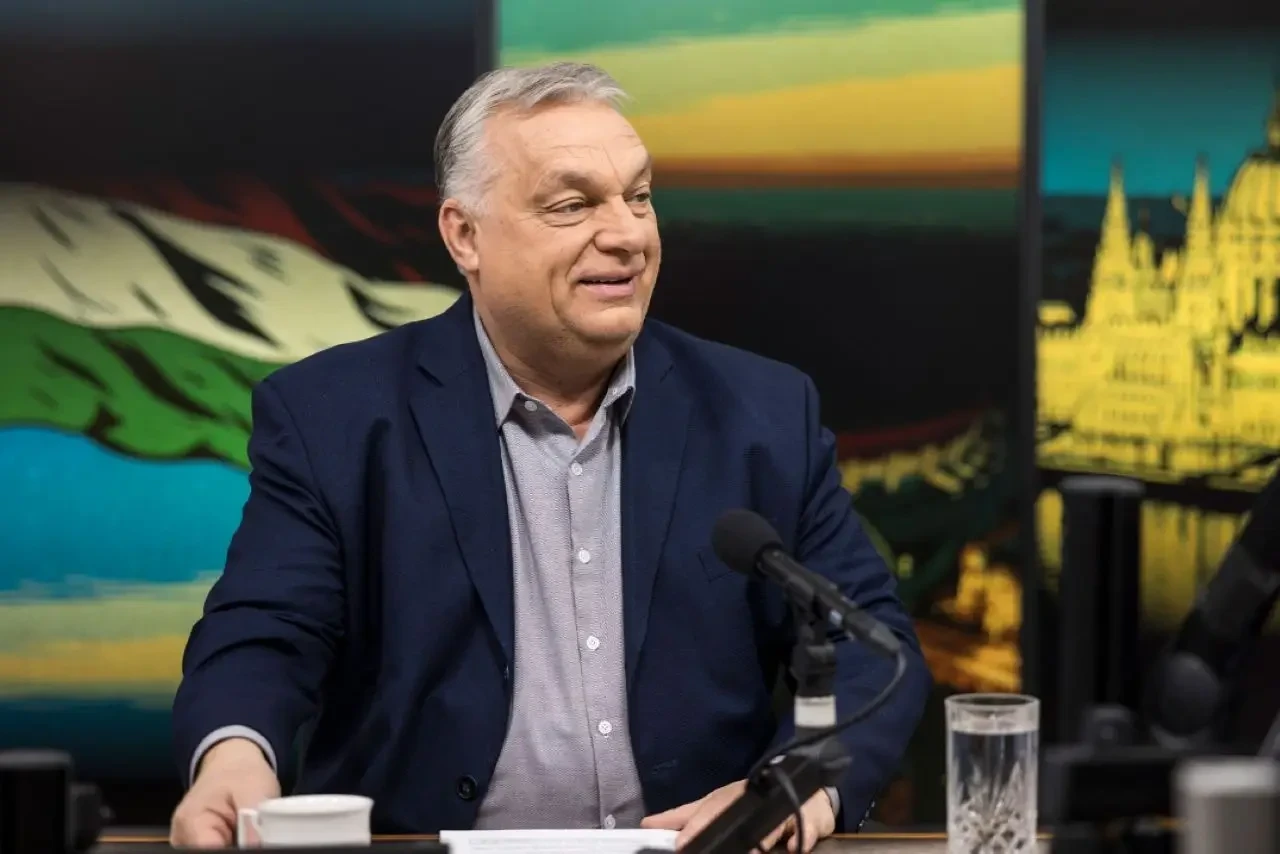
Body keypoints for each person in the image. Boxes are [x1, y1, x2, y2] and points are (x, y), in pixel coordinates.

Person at [169, 61, 931, 852]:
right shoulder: (336, 416)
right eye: (573, 205)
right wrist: (233, 756)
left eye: (639, 197)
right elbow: (265, 631)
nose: (628, 235)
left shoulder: (760, 413)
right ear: (465, 235)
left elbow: (870, 645)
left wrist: (794, 791)